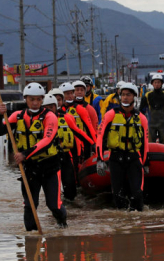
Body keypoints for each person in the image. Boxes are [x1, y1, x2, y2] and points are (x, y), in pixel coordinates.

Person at [0, 83, 67, 230]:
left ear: (42, 100)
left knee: (54, 205)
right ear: (25, 99)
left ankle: (62, 226)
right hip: (30, 169)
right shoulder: (18, 116)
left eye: (38, 99)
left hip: (49, 168)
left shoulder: (50, 116)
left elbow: (47, 141)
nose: (35, 103)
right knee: (29, 205)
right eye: (31, 99)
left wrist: (24, 154)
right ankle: (31, 240)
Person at [96, 83, 149, 211]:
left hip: (133, 158)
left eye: (128, 95)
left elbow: (145, 143)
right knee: (118, 196)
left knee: (137, 195)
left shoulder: (141, 118)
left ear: (134, 97)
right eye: (123, 95)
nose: (125, 97)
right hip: (115, 158)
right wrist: (99, 159)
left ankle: (138, 223)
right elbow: (100, 136)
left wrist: (146, 162)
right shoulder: (111, 114)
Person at [44, 92, 94, 200]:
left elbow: (80, 133)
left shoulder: (66, 118)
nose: (49, 110)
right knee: (53, 191)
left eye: (51, 107)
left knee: (70, 190)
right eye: (46, 107)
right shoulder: (39, 121)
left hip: (65, 156)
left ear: (56, 106)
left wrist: (94, 145)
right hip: (49, 159)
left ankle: (71, 208)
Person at [60, 82, 97, 168]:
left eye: (71, 93)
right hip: (63, 145)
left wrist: (94, 143)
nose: (70, 96)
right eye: (67, 94)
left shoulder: (82, 109)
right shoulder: (57, 111)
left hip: (79, 144)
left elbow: (91, 127)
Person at [139, 73, 164, 143]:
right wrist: (140, 125)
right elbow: (141, 112)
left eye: (158, 82)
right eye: (155, 82)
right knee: (150, 145)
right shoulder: (147, 96)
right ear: (152, 84)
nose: (157, 84)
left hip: (162, 125)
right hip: (151, 125)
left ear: (161, 84)